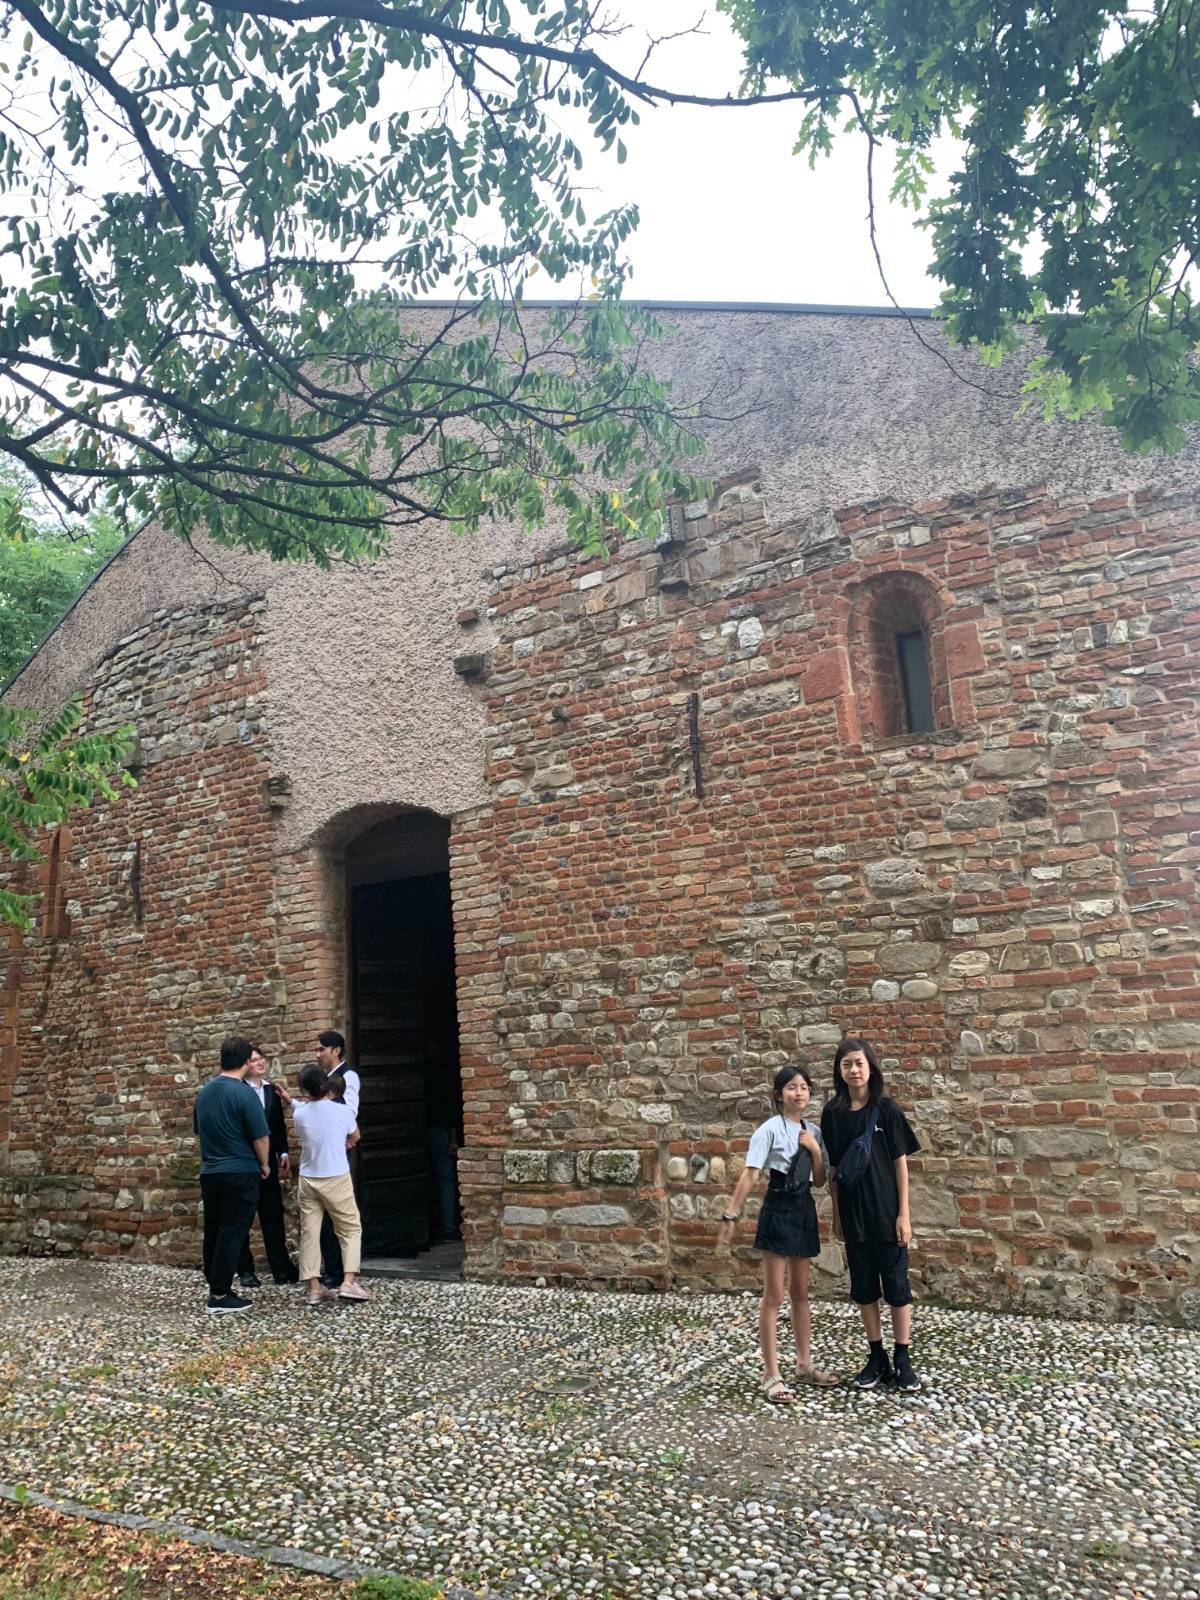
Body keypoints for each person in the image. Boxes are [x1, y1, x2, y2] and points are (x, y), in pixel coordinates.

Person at [716, 1065, 837, 1403]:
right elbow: (751, 1174)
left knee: (801, 1293)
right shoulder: (768, 1129)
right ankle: (771, 1374)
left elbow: (819, 1180)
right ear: (779, 1094)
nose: (799, 1092)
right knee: (774, 1296)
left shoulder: (814, 1130)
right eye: (791, 1087)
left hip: (803, 1209)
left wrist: (814, 1149)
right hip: (778, 1209)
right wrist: (731, 1212)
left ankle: (803, 1364)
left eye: (804, 1087)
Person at [821, 1036, 922, 1393]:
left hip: (887, 1212)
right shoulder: (832, 1114)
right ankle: (876, 1356)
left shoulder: (887, 1109)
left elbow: (901, 1163)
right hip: (854, 1214)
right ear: (839, 1070)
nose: (853, 1070)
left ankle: (903, 1357)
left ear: (871, 1067)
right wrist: (836, 1216)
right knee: (864, 1288)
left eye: (859, 1063)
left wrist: (904, 1214)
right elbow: (834, 1170)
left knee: (897, 1286)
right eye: (846, 1064)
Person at [276, 1065, 371, 1306]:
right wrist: (345, 1142)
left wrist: (290, 1101)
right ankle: (349, 1282)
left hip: (309, 1177)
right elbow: (356, 1135)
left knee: (310, 1233)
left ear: (305, 1089)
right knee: (350, 1229)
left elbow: (306, 1114)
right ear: (326, 1086)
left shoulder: (300, 1114)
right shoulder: (342, 1112)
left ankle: (315, 1288)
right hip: (336, 1175)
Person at [192, 1036, 270, 1315]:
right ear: (247, 1062)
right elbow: (261, 1137)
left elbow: (200, 1130)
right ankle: (220, 1294)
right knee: (234, 1229)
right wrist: (265, 1164)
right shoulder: (244, 1093)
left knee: (214, 1227)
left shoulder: (204, 1092)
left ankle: (214, 1282)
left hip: (210, 1171)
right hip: (239, 1170)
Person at [236, 1045, 300, 1287]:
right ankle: (245, 1270)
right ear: (245, 1065)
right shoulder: (238, 1090)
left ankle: (281, 1270)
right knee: (243, 1217)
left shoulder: (272, 1091)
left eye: (262, 1059)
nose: (261, 1063)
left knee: (273, 1216)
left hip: (269, 1165)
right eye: (254, 1060)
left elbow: (277, 1125)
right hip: (245, 1163)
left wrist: (283, 1151)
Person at [316, 1029, 360, 1287]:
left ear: (336, 1050)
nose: (318, 1054)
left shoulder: (348, 1076)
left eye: (322, 1049)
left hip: (338, 1148)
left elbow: (350, 1108)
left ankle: (341, 1269)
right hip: (325, 1150)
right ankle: (331, 1266)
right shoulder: (321, 1077)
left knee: (339, 1214)